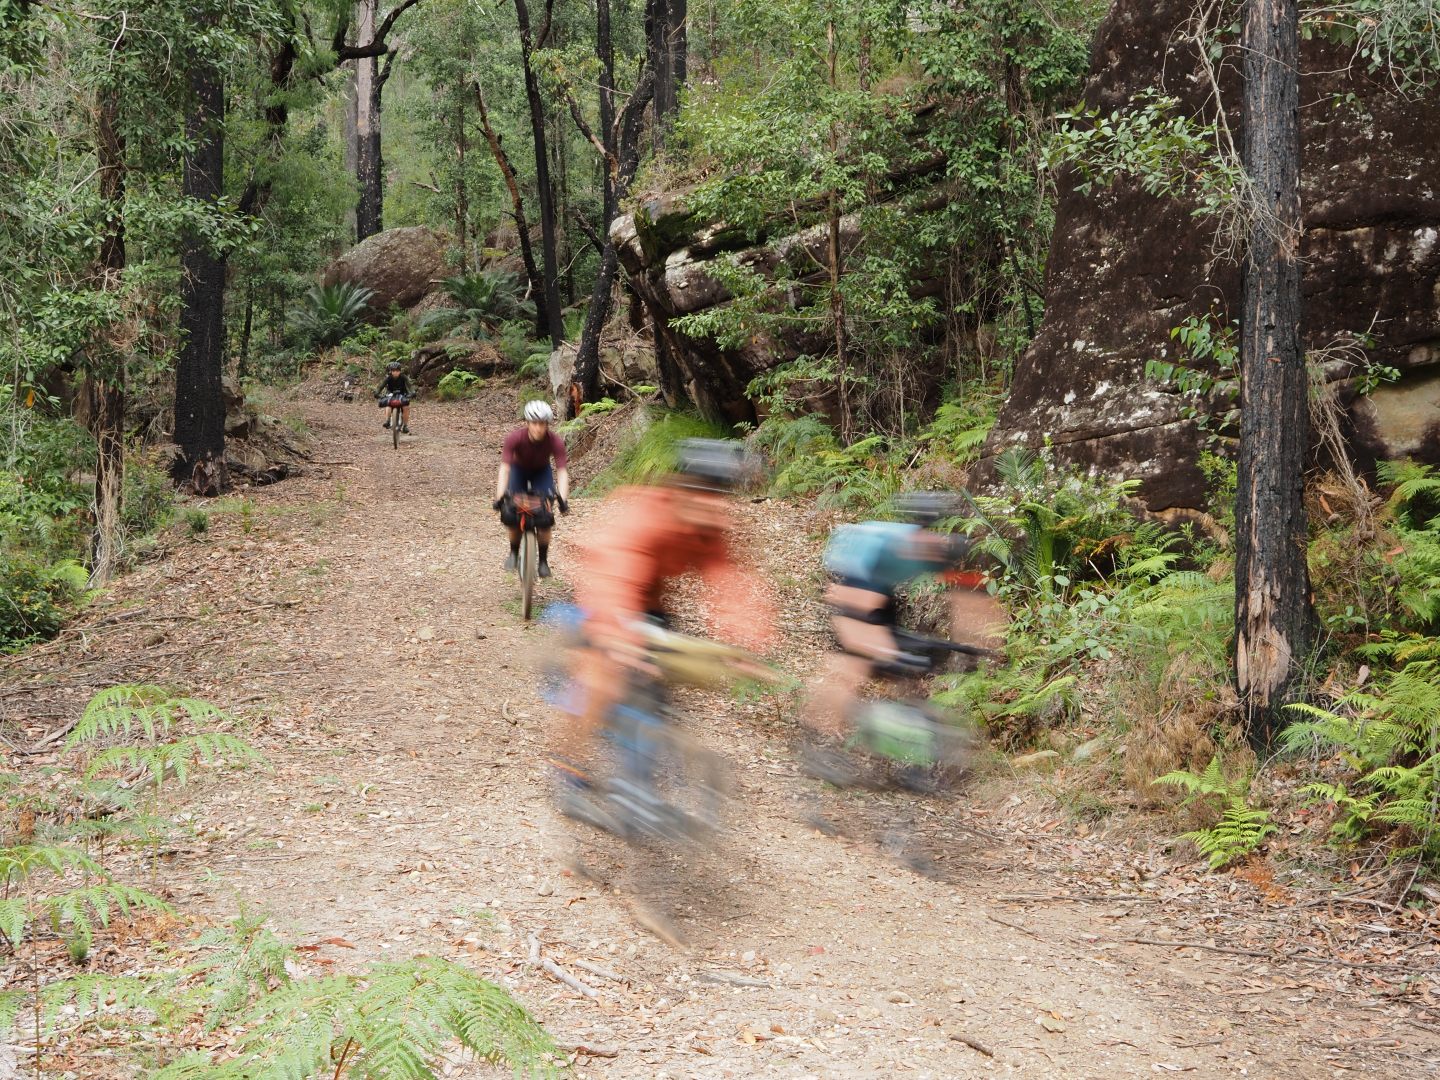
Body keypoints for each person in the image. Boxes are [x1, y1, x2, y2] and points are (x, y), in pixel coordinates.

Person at [550, 438, 776, 812]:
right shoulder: (641, 515)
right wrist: (617, 637)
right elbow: (612, 574)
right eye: (703, 491)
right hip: (604, 586)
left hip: (650, 599)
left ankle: (642, 757)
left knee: (659, 681)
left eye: (720, 495)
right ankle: (566, 767)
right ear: (680, 489)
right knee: (602, 676)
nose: (712, 504)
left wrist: (746, 641)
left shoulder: (711, 527)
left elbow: (729, 580)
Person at [801, 492, 1000, 780]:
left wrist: (979, 641)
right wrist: (879, 649)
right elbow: (855, 603)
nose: (927, 545)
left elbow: (967, 595)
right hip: (855, 587)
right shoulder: (885, 548)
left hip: (883, 593)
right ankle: (817, 741)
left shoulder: (939, 551)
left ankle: (909, 755)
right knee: (856, 664)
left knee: (907, 668)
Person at [493, 400, 570, 578]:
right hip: (518, 471)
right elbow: (505, 468)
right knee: (511, 513)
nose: (538, 428)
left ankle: (543, 560)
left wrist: (563, 499)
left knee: (545, 518)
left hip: (541, 473)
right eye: (534, 423)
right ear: (527, 423)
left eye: (542, 424)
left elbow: (562, 471)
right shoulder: (514, 439)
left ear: (547, 425)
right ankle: (513, 552)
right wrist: (499, 497)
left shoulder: (555, 442)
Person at [376, 361, 412, 433]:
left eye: (397, 371)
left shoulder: (403, 377)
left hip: (402, 394)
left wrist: (412, 392)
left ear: (400, 371)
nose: (395, 372)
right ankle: (388, 421)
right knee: (388, 404)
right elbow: (381, 386)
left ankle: (405, 426)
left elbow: (409, 386)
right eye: (393, 371)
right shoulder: (388, 378)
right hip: (390, 394)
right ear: (391, 371)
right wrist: (377, 393)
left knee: (406, 407)